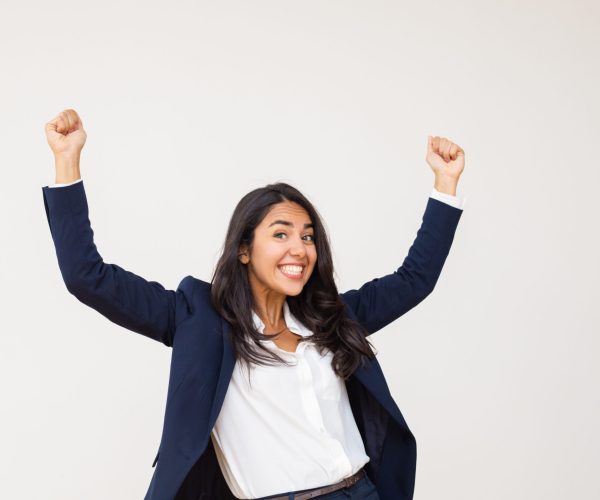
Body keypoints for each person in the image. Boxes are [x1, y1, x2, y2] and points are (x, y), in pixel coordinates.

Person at [43, 109, 466, 500]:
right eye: (280, 234)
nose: (299, 248)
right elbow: (87, 276)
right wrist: (67, 161)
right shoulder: (195, 316)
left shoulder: (333, 317)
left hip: (361, 491)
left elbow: (415, 279)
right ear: (244, 249)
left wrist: (445, 184)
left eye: (307, 236)